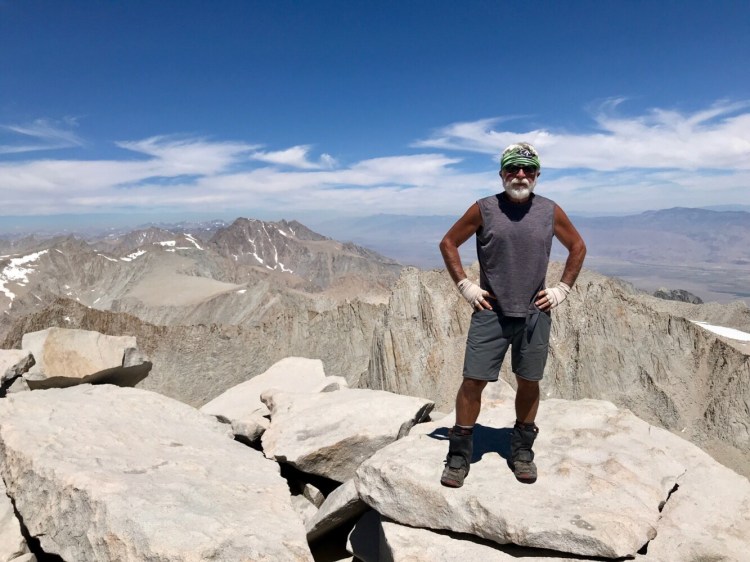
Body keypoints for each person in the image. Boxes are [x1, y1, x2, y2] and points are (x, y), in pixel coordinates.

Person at [439, 142, 586, 487]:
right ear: (502, 172)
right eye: (513, 168)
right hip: (491, 310)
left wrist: (562, 289)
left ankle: (521, 450)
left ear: (537, 175)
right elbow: (448, 242)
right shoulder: (484, 209)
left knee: (529, 380)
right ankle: (459, 455)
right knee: (473, 380)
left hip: (535, 312)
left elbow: (578, 246)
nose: (521, 175)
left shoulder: (550, 211)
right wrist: (465, 286)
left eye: (528, 169)